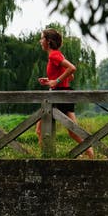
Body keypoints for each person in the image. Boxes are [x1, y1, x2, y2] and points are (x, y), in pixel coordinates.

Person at [36, 28, 94, 159]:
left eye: (42, 38)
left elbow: (72, 68)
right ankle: (89, 151)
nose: (40, 41)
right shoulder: (58, 54)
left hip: (59, 95)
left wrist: (55, 82)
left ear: (48, 41)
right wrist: (50, 81)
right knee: (73, 131)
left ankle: (46, 158)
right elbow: (70, 76)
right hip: (62, 93)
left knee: (42, 130)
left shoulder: (54, 55)